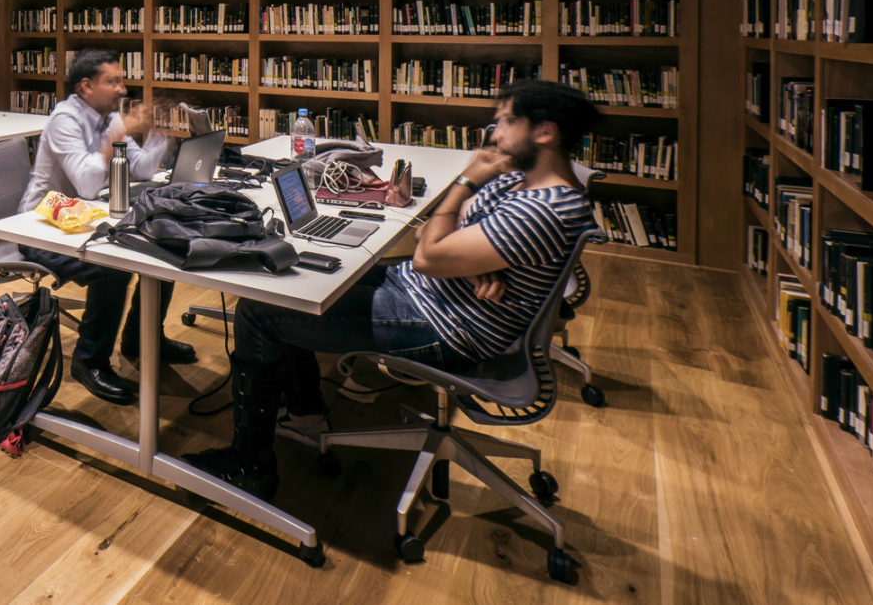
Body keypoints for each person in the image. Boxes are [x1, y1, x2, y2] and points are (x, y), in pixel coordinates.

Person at [185, 79, 599, 499]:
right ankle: (305, 413)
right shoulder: (522, 182)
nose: (495, 135)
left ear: (545, 132)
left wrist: (466, 185)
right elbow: (432, 238)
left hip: (446, 326)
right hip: (428, 292)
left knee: (257, 313)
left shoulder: (542, 208)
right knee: (299, 283)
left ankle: (249, 464)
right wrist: (467, 258)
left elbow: (429, 251)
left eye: (508, 122)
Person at [19, 48, 196, 406]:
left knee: (162, 246)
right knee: (111, 269)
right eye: (113, 82)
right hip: (39, 226)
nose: (122, 90)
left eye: (122, 80)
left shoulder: (108, 119)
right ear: (86, 86)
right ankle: (89, 361)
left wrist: (159, 132)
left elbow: (144, 169)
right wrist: (114, 137)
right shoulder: (64, 120)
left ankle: (142, 338)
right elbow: (85, 183)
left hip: (84, 219)